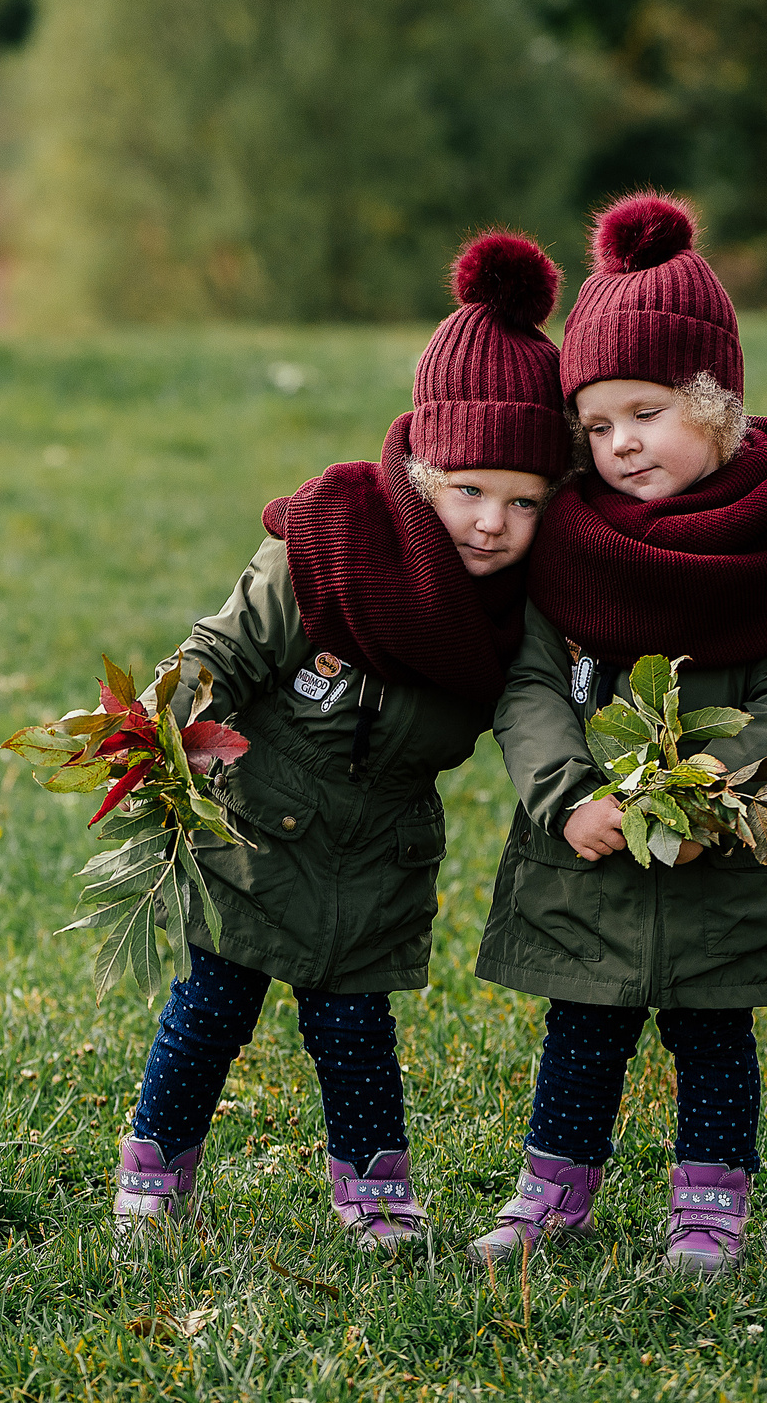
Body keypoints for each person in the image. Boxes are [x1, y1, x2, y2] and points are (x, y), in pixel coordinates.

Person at [111, 233, 568, 1252]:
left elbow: (538, 707)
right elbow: (221, 647)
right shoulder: (325, 546)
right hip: (256, 828)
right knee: (209, 1010)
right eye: (468, 489)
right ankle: (155, 1163)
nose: (492, 521)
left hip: (376, 854)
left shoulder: (514, 614)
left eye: (523, 499)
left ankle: (373, 1191)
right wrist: (162, 718)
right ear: (417, 467)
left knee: (355, 1034)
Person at [470, 193, 767, 1274]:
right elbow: (530, 684)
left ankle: (707, 1211)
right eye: (594, 424)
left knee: (712, 1032)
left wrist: (710, 787)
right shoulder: (571, 545)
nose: (621, 442)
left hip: (721, 847)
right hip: (589, 843)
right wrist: (568, 795)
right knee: (581, 1026)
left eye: (646, 410)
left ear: (716, 403)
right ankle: (551, 1196)